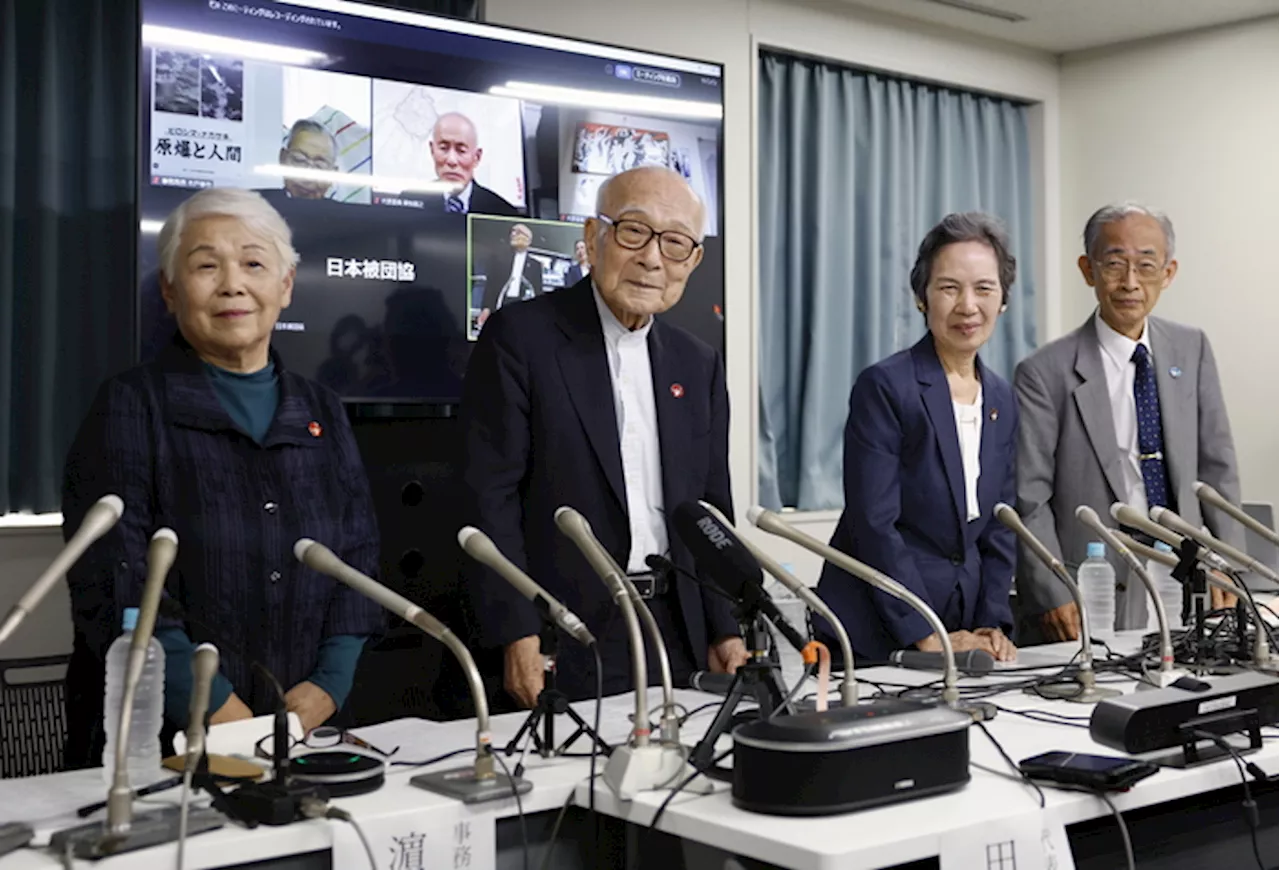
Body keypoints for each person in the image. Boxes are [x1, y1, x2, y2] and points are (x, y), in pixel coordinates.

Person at [61, 188, 385, 767]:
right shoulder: (130, 407)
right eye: (206, 265)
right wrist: (216, 708)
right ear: (169, 289)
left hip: (305, 731)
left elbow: (357, 562)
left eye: (255, 264)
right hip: (160, 743)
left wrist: (327, 688)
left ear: (285, 286)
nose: (233, 284)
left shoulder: (322, 410)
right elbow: (118, 587)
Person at [460, 165, 748, 707]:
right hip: (567, 634)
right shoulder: (522, 339)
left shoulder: (699, 363)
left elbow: (711, 512)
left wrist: (725, 627)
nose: (652, 257)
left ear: (694, 260)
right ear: (593, 238)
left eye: (675, 242)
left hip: (675, 632)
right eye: (633, 231)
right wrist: (517, 632)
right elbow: (489, 498)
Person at [1015, 203, 1240, 642]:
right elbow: (1029, 498)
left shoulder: (1190, 349)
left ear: (1168, 272)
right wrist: (1052, 589)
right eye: (1114, 264)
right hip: (1093, 584)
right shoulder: (1045, 371)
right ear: (1088, 269)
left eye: (1145, 265)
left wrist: (1229, 563)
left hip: (1184, 574)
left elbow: (1218, 469)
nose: (1130, 282)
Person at [814, 213, 1019, 664]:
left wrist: (991, 621)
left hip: (964, 628)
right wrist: (925, 632)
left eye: (984, 288)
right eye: (949, 288)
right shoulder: (887, 386)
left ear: (1003, 300)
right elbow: (874, 522)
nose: (968, 305)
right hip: (878, 630)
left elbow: (1001, 526)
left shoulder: (1001, 396)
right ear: (921, 297)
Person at [430, 112, 519, 216]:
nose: (451, 160)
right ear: (432, 150)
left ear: (477, 157)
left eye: (461, 150)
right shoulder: (408, 203)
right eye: (444, 148)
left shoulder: (503, 213)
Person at [477, 223, 545, 329]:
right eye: (512, 231)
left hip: (523, 306)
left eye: (518, 232)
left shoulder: (535, 265)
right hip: (502, 304)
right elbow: (491, 285)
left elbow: (538, 290)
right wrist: (486, 308)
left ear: (528, 240)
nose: (513, 234)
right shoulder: (499, 259)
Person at [277, 119, 338, 201]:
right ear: (283, 159)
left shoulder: (342, 213)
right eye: (299, 160)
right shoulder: (261, 206)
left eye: (319, 166)